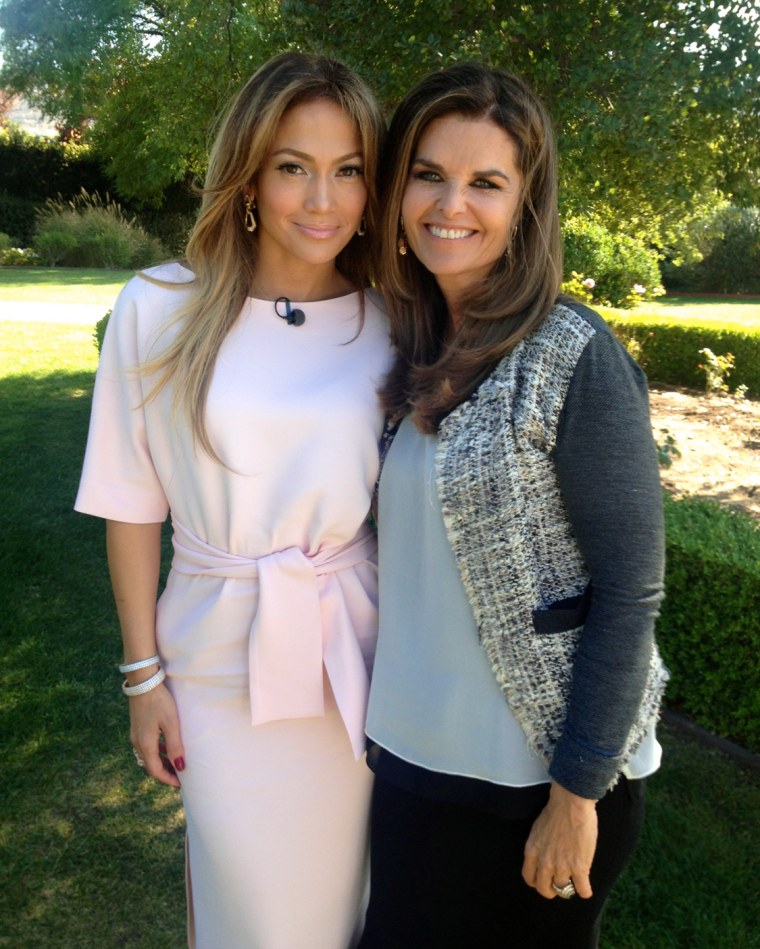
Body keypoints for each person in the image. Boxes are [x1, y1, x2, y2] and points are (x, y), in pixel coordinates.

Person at [75, 52, 391, 948]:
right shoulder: (160, 309)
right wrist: (143, 676)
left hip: (355, 667)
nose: (321, 200)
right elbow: (129, 500)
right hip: (213, 667)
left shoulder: (393, 321)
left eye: (349, 170)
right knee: (250, 914)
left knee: (348, 910)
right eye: (294, 167)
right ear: (249, 176)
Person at [359, 62, 669, 949]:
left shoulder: (574, 354)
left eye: (486, 182)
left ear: (525, 204)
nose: (450, 202)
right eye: (428, 173)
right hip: (416, 761)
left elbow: (631, 591)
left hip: (539, 783)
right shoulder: (410, 336)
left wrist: (578, 793)